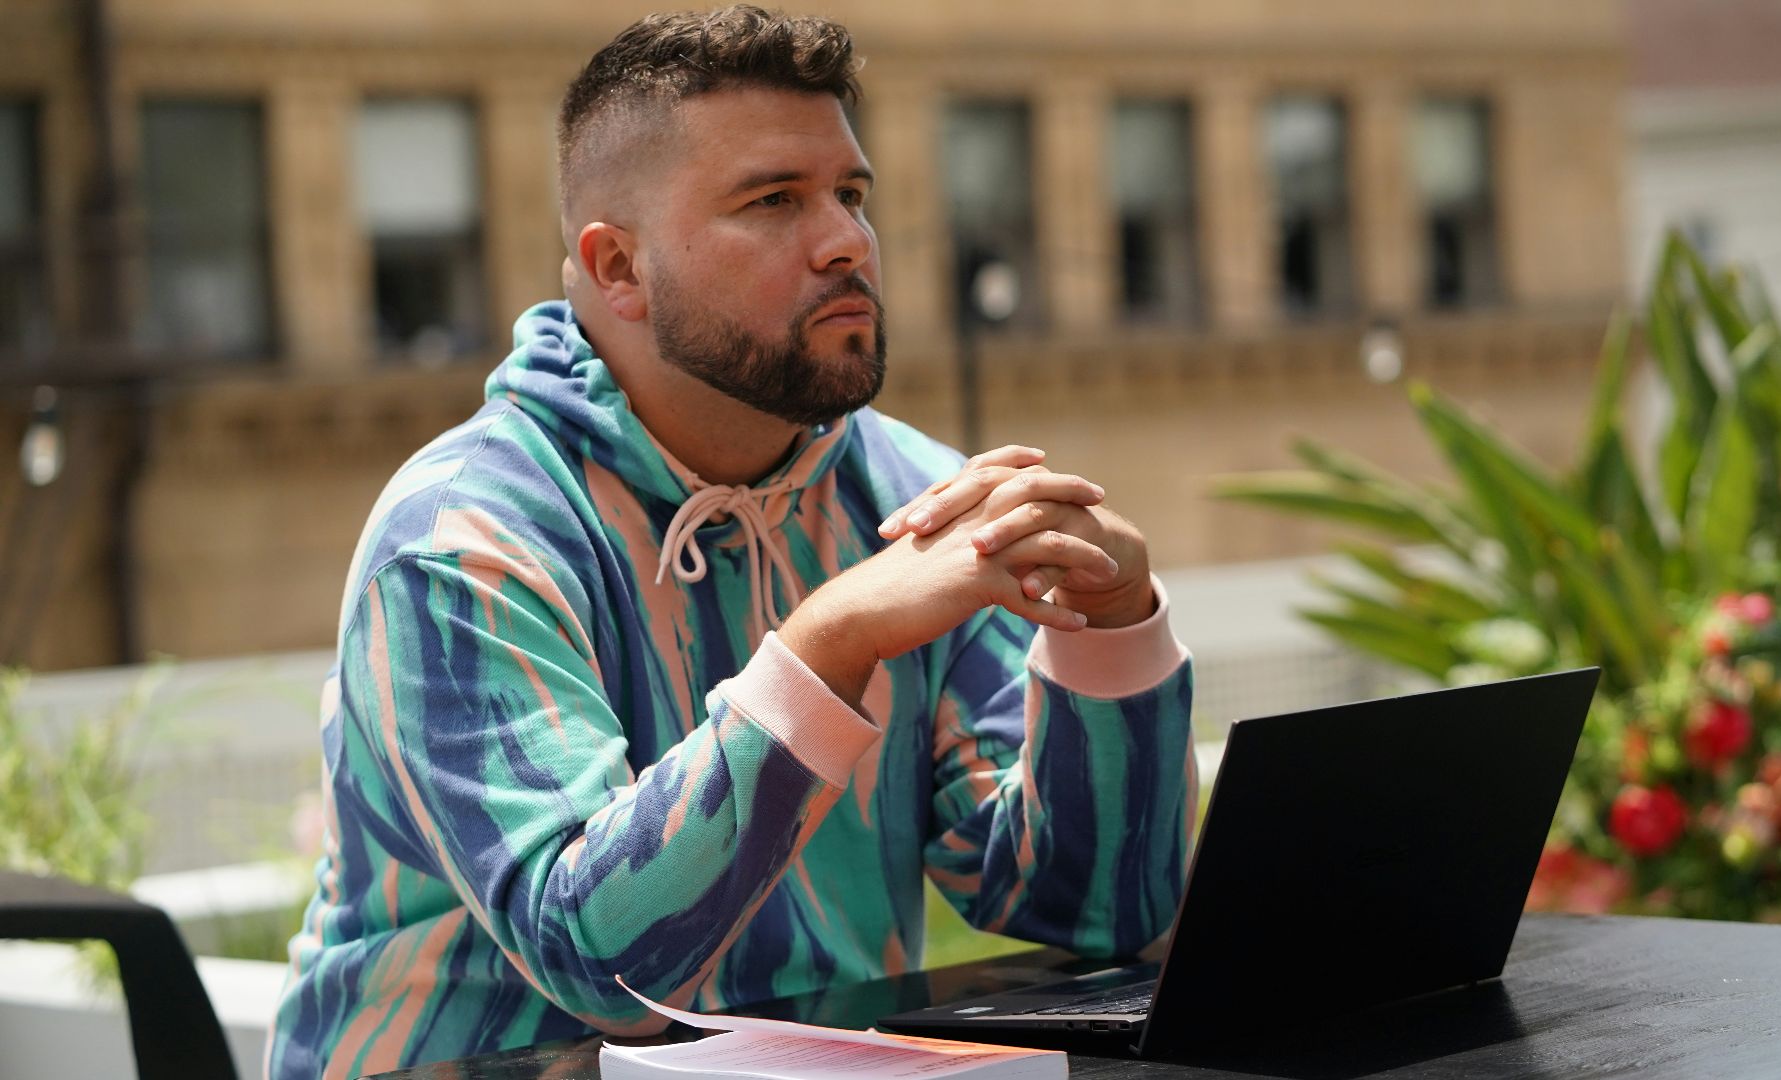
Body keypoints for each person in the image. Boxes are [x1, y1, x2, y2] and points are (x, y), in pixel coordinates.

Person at [267, 7, 1195, 1077]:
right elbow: (596, 966)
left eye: (851, 194)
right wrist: (827, 646)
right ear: (618, 268)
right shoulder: (459, 542)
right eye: (773, 201)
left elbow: (1093, 913)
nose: (846, 239)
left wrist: (1112, 627)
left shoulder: (915, 499)